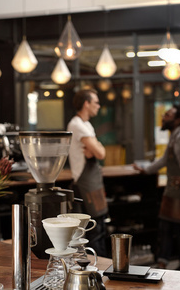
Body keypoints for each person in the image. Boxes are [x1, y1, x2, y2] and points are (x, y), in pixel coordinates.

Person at [133, 104, 180, 271]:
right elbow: (164, 160)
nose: (163, 116)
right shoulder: (175, 136)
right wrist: (146, 170)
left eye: (168, 115)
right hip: (173, 191)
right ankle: (163, 262)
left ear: (177, 120)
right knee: (166, 227)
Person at [67, 89, 109, 257]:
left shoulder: (87, 125)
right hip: (84, 184)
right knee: (93, 232)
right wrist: (96, 147)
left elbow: (99, 150)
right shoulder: (76, 124)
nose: (98, 106)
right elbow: (100, 154)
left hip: (94, 182)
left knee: (100, 228)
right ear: (86, 103)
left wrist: (95, 147)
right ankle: (99, 271)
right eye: (96, 102)